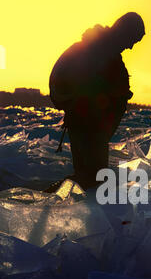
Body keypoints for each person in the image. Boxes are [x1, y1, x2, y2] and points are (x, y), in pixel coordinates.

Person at [45, 12, 145, 192]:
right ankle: (43, 202)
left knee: (90, 179)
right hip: (86, 124)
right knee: (91, 179)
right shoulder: (94, 51)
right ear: (123, 32)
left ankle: (51, 203)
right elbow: (76, 84)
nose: (131, 47)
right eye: (132, 39)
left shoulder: (108, 54)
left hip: (91, 125)